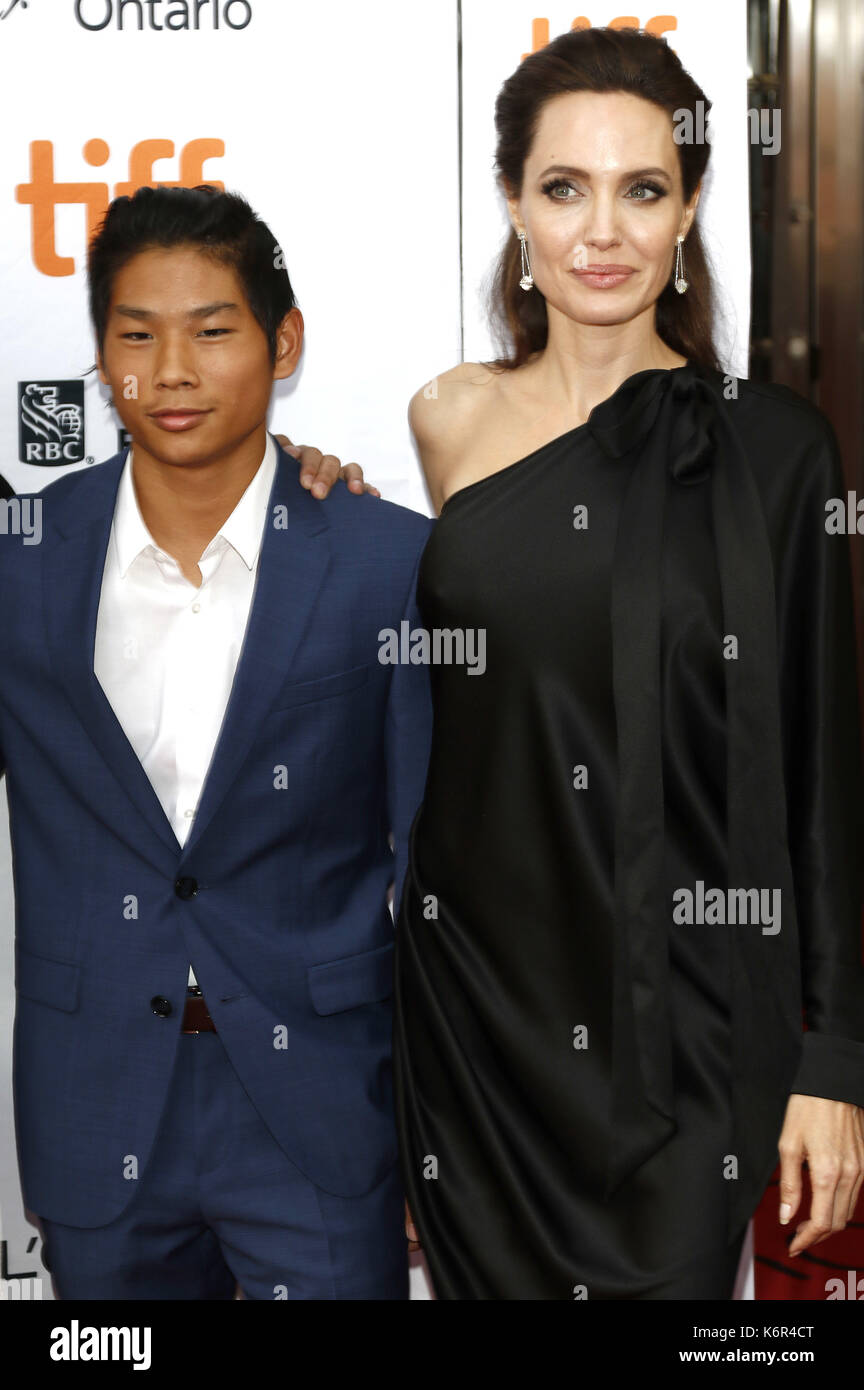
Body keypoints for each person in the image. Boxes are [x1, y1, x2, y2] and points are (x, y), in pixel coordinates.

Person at [292, 26, 864, 1299]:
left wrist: (833, 1058)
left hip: (686, 1027)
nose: (602, 231)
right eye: (565, 188)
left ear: (691, 208)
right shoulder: (446, 418)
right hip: (476, 1013)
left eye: (642, 189)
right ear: (514, 205)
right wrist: (300, 491)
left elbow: (822, 774)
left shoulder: (775, 452)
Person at [0, 184, 433, 1299]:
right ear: (101, 357)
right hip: (98, 1102)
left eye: (213, 329)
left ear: (283, 343)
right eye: (137, 334)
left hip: (320, 1107)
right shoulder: (23, 566)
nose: (173, 370)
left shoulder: (387, 563)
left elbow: (444, 872)